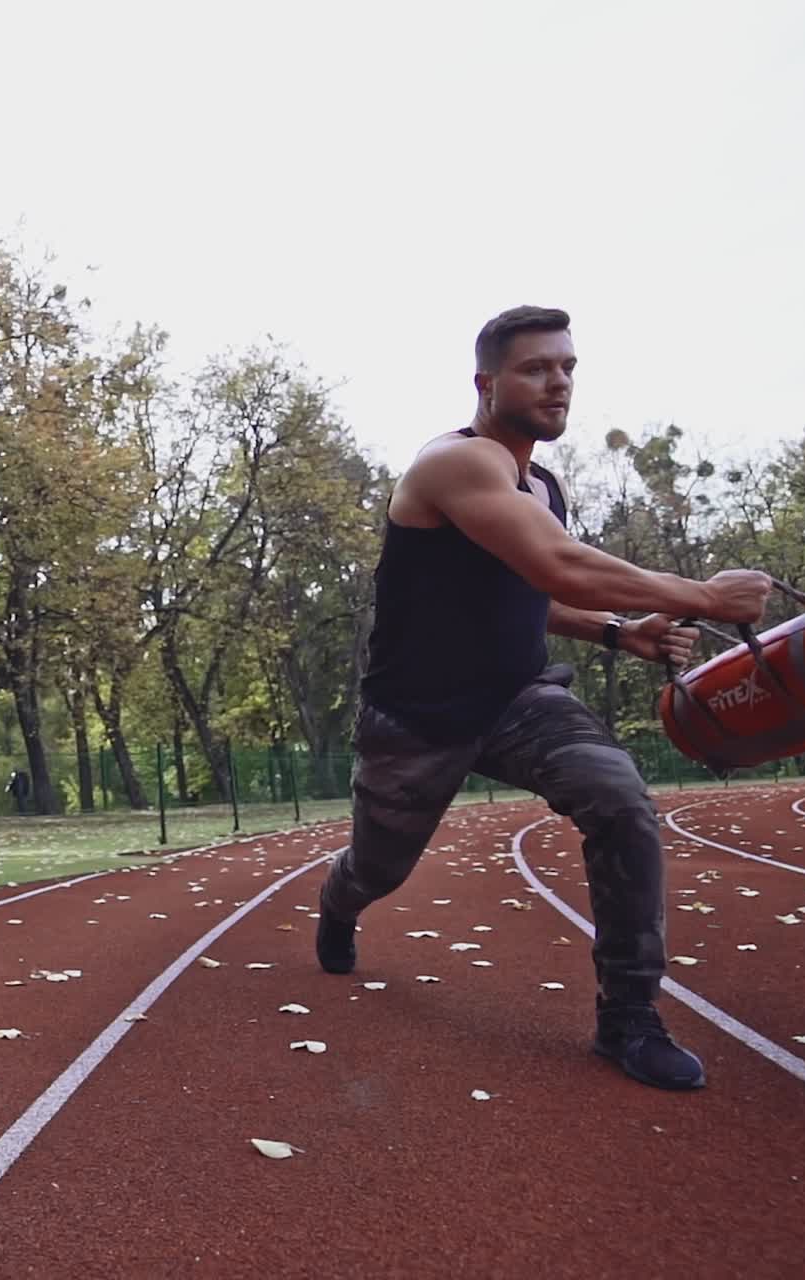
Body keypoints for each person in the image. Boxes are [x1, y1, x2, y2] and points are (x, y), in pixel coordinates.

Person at [315, 306, 771, 1091]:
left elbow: (530, 591)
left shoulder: (543, 484)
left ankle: (629, 1017)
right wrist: (704, 595)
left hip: (518, 699)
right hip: (416, 718)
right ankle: (339, 899)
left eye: (566, 367)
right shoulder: (455, 465)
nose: (557, 382)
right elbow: (557, 564)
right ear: (487, 384)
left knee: (620, 800)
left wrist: (617, 634)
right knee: (378, 870)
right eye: (536, 368)